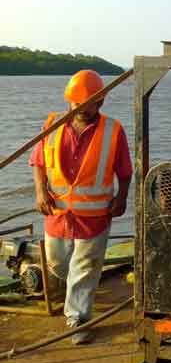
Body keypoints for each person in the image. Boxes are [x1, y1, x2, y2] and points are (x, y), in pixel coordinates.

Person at [29, 70, 132, 345]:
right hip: (58, 214)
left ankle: (78, 320)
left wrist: (122, 197)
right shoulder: (51, 124)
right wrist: (40, 191)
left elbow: (124, 170)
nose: (84, 109)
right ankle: (77, 294)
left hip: (95, 214)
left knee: (84, 267)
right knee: (58, 263)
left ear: (100, 103)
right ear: (69, 102)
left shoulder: (113, 130)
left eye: (90, 104)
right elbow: (38, 161)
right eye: (78, 105)